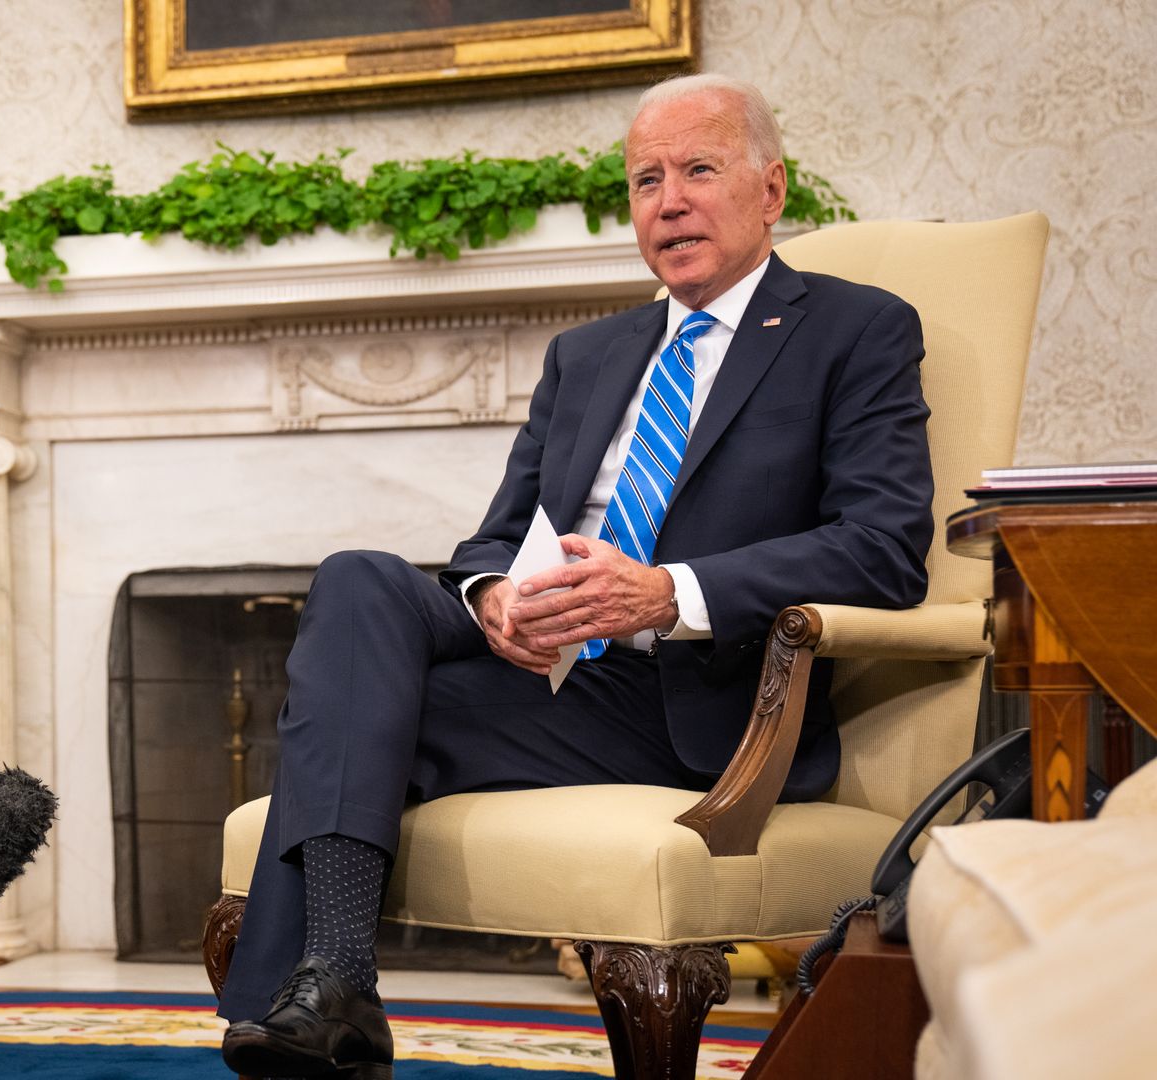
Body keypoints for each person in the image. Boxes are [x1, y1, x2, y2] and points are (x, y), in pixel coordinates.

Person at [217, 73, 934, 1079]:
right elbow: (493, 543)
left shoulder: (855, 331)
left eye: (698, 169)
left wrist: (670, 590)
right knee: (360, 581)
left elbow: (886, 547)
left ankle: (307, 1012)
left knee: (343, 723)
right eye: (646, 179)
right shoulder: (588, 354)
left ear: (771, 190)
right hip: (553, 670)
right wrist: (493, 598)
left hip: (700, 697)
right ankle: (337, 980)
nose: (669, 200)